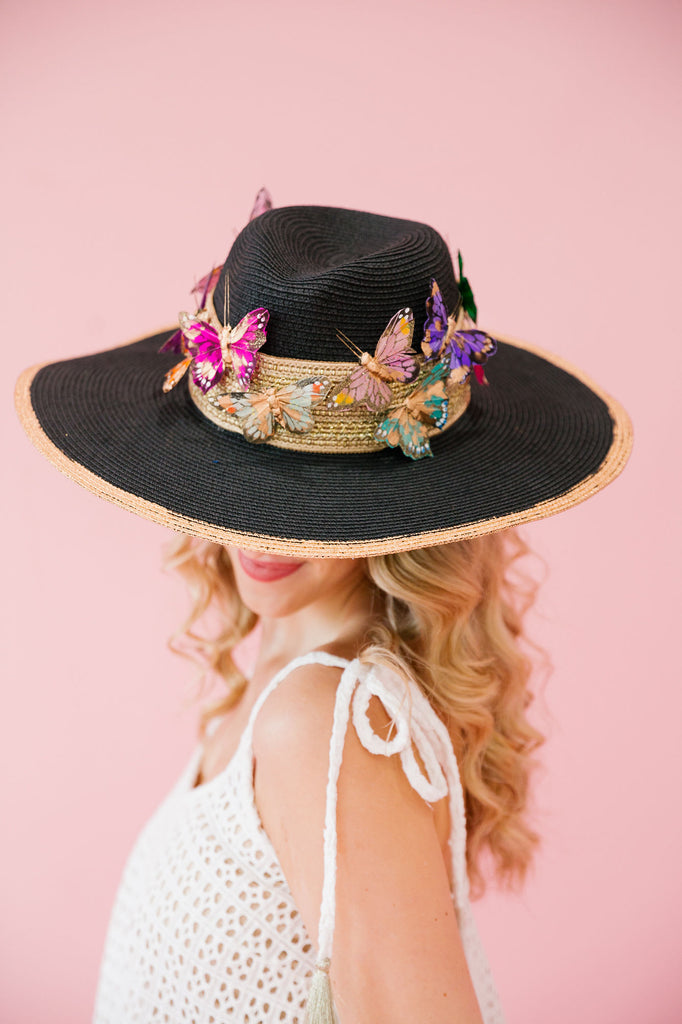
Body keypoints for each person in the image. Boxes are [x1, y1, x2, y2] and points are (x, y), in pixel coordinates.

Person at [15, 201, 632, 1023]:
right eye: (251, 483)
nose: (261, 534)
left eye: (312, 497)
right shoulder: (283, 689)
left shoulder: (327, 723)